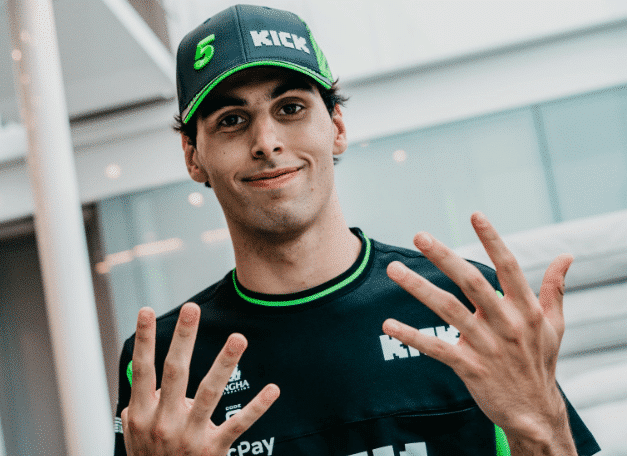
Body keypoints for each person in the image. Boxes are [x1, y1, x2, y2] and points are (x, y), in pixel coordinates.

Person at [114, 4, 600, 455]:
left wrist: (542, 424)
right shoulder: (161, 363)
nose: (267, 142)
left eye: (290, 108)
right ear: (193, 156)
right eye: (232, 119)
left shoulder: (470, 305)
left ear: (337, 127)